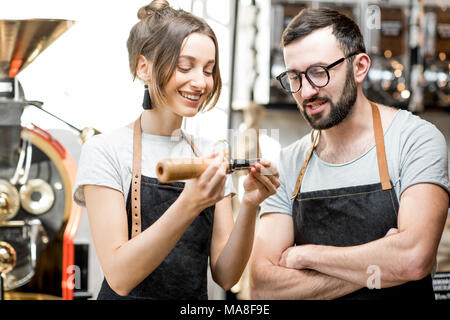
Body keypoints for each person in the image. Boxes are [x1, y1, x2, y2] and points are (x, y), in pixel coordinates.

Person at [73, 0, 279, 300]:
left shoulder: (210, 152)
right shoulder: (105, 150)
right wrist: (189, 204)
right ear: (144, 68)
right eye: (186, 66)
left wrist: (249, 205)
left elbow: (226, 275)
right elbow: (119, 277)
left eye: (208, 70)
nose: (200, 82)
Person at [250, 8, 450, 300]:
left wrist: (307, 256)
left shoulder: (415, 140)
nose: (306, 92)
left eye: (319, 72)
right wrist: (382, 264)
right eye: (294, 76)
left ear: (360, 67)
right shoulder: (287, 163)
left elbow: (413, 259)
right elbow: (263, 287)